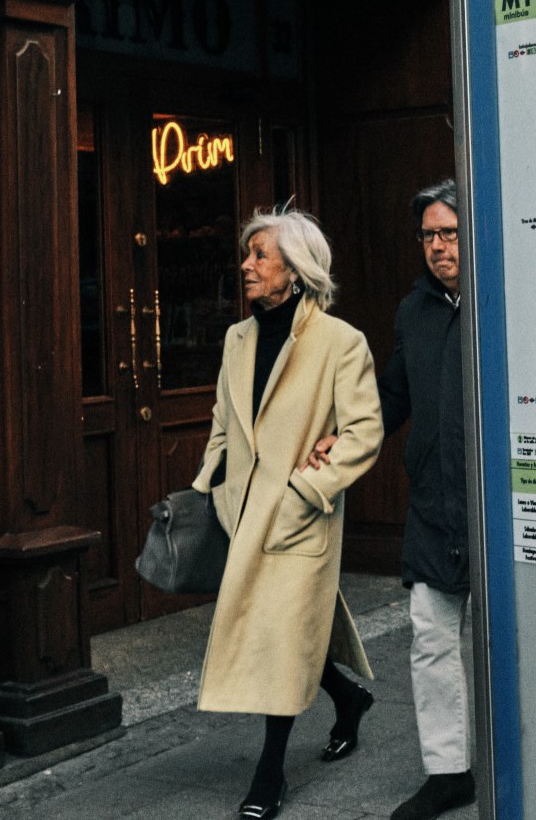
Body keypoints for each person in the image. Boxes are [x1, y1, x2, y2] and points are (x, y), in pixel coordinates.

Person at [193, 209, 384, 820]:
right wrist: (210, 487)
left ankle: (269, 774)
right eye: (247, 254)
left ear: (295, 272)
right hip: (244, 516)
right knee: (287, 631)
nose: (247, 266)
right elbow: (225, 423)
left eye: (260, 256)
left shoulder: (340, 342)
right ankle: (348, 700)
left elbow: (363, 433)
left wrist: (308, 492)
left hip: (301, 519)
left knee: (278, 639)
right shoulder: (236, 338)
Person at [309, 179, 474, 820]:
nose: (437, 246)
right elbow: (392, 396)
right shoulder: (415, 312)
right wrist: (342, 436)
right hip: (434, 503)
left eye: (449, 232)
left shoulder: (506, 300)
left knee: (508, 641)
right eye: (429, 235)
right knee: (431, 639)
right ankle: (449, 771)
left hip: (495, 505)